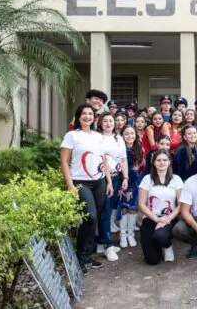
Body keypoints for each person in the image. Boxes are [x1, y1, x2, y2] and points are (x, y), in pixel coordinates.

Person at [60, 104, 113, 273]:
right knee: (89, 217)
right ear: (78, 116)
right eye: (84, 113)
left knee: (95, 219)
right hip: (80, 182)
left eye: (91, 114)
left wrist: (109, 181)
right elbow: (64, 162)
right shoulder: (71, 136)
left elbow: (103, 160)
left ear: (94, 117)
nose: (88, 116)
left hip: (99, 182)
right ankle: (80, 256)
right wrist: (70, 186)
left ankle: (88, 256)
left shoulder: (98, 137)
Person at [138, 150, 183, 265]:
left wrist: (168, 218)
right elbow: (141, 204)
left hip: (170, 218)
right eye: (158, 160)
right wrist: (157, 219)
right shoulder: (147, 179)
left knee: (160, 236)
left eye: (164, 160)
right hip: (150, 217)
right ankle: (156, 245)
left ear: (169, 162)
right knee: (152, 260)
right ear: (153, 162)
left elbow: (181, 204)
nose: (161, 163)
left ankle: (167, 245)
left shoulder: (176, 179)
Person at [97, 112, 128, 261]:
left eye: (111, 121)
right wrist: (109, 181)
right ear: (100, 123)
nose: (109, 123)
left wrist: (125, 177)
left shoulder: (119, 139)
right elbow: (102, 161)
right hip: (103, 178)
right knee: (105, 211)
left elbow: (123, 160)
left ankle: (102, 242)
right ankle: (107, 245)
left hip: (117, 178)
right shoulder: (97, 138)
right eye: (105, 121)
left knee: (109, 211)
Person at [119, 125, 143, 248]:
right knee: (124, 208)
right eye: (127, 133)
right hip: (122, 181)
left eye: (132, 133)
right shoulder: (119, 148)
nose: (130, 136)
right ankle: (122, 236)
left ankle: (131, 235)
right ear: (122, 135)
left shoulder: (139, 148)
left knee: (133, 209)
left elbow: (138, 168)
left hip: (134, 182)